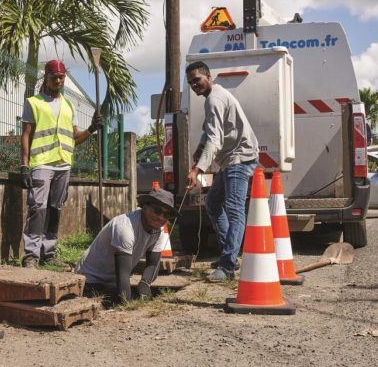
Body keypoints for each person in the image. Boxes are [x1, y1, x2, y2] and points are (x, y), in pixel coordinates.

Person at [20, 59, 103, 268]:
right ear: (46, 77)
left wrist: (92, 128)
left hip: (63, 165)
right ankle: (31, 254)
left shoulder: (68, 105)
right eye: (54, 77)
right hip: (41, 164)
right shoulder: (33, 102)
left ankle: (49, 252)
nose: (58, 81)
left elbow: (74, 137)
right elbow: (26, 135)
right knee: (37, 208)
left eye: (61, 77)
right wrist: (24, 165)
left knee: (55, 208)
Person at [185, 60, 259, 281]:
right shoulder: (212, 98)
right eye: (190, 83)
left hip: (240, 158)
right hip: (230, 159)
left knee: (235, 210)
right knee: (213, 203)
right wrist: (199, 150)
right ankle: (230, 255)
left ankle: (227, 266)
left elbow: (215, 139)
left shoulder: (214, 99)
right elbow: (210, 132)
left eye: (197, 80)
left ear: (209, 77)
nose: (194, 85)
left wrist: (197, 169)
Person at [76, 188, 178, 303]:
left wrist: (144, 283)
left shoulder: (157, 231)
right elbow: (123, 274)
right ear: (144, 208)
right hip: (91, 280)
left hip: (113, 282)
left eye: (166, 215)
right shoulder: (125, 227)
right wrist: (127, 304)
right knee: (116, 301)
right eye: (157, 211)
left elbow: (153, 264)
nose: (161, 217)